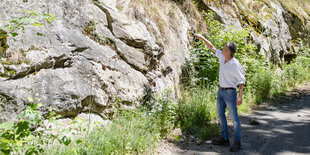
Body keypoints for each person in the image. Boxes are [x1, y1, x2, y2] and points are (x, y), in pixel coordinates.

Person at [194, 34, 246, 152]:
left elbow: (241, 81)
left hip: (230, 93)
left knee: (234, 118)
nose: (221, 49)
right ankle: (224, 138)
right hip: (220, 91)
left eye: (223, 48)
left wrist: (240, 96)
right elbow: (211, 47)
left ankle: (237, 142)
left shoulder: (235, 64)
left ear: (228, 51)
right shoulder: (222, 57)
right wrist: (202, 37)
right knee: (221, 115)